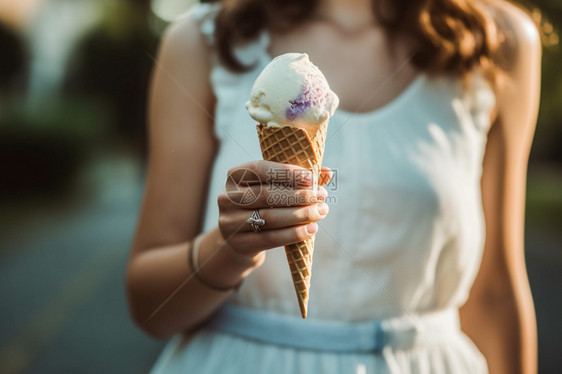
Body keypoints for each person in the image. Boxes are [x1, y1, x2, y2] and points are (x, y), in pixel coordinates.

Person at [126, 0, 541, 372]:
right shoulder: (203, 40)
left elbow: (495, 292)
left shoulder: (497, 42)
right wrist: (228, 248)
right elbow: (150, 309)